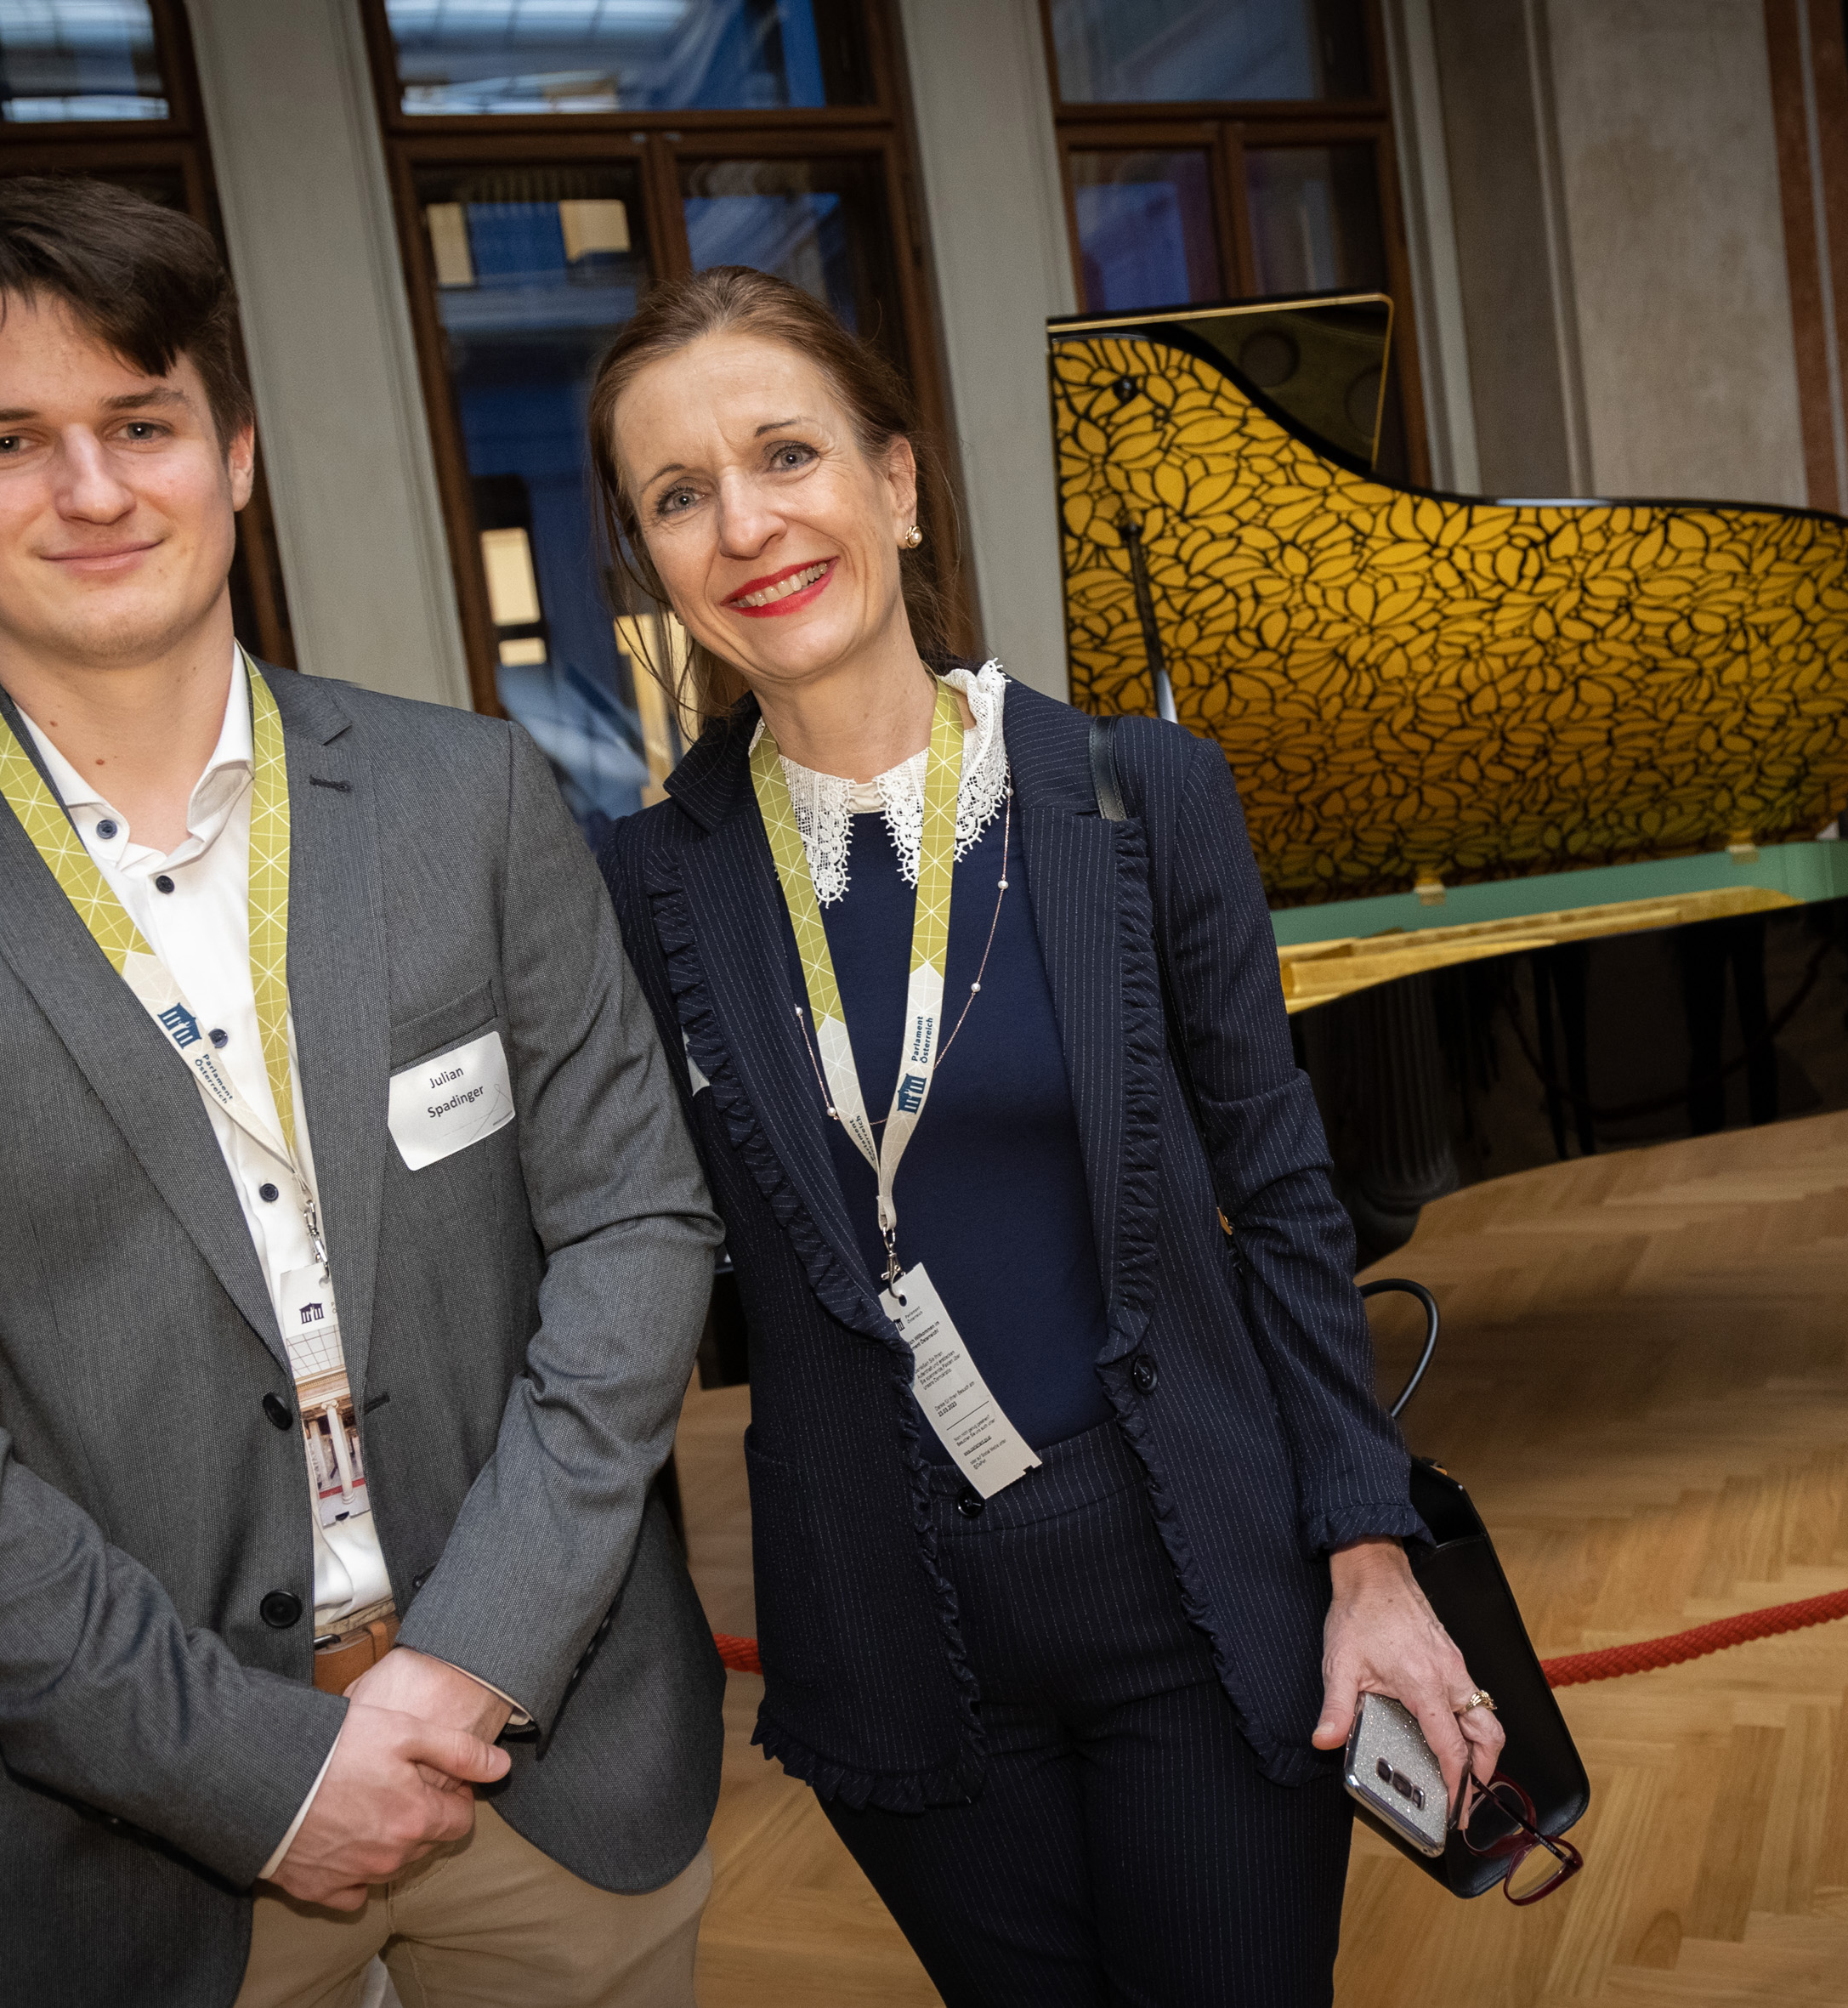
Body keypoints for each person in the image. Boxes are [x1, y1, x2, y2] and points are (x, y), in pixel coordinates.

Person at [0, 177, 723, 2008]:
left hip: (552, 1758)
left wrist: (474, 1657)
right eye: (8, 440)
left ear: (233, 452)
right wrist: (261, 1775)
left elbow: (636, 1225)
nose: (91, 489)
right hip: (158, 1831)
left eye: (140, 422)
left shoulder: (467, 799)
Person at [590, 266, 1506, 2006]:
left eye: (785, 454)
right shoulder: (643, 887)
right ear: (650, 560)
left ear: (897, 484)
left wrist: (1368, 1546)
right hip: (887, 1634)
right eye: (680, 494)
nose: (747, 525)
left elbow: (1285, 1195)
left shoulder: (1138, 794)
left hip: (1195, 1587)